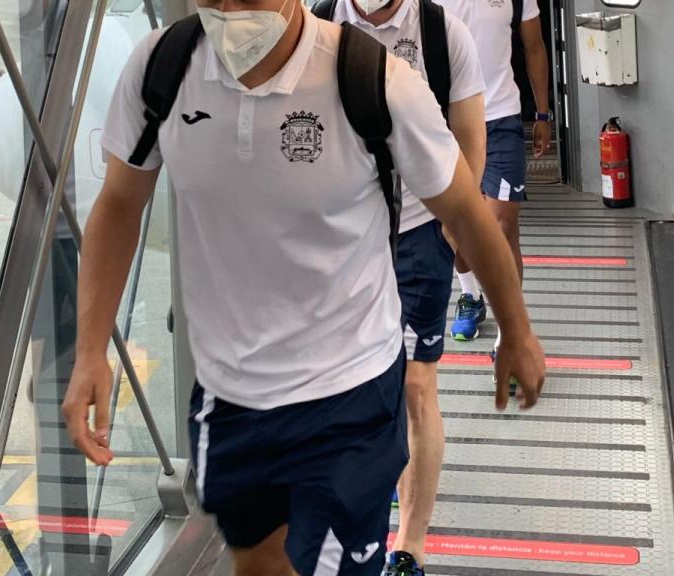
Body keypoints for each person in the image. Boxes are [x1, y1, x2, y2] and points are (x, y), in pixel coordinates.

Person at [62, 0, 546, 574]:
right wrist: (91, 348)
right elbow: (119, 204)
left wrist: (516, 330)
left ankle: (406, 541)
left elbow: (467, 210)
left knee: (334, 557)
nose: (230, 7)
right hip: (229, 395)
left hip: (350, 390)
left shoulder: (375, 81)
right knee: (260, 563)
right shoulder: (160, 70)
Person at [319, 0, 485, 573]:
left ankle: (408, 547)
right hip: (338, 240)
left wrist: (452, 226)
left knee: (416, 387)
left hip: (417, 234)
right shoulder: (317, 28)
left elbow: (469, 136)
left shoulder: (443, 37)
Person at [439, 0, 553, 348]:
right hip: (447, 119)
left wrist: (543, 115)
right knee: (454, 225)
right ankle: (471, 295)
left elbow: (534, 47)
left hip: (501, 117)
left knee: (503, 225)